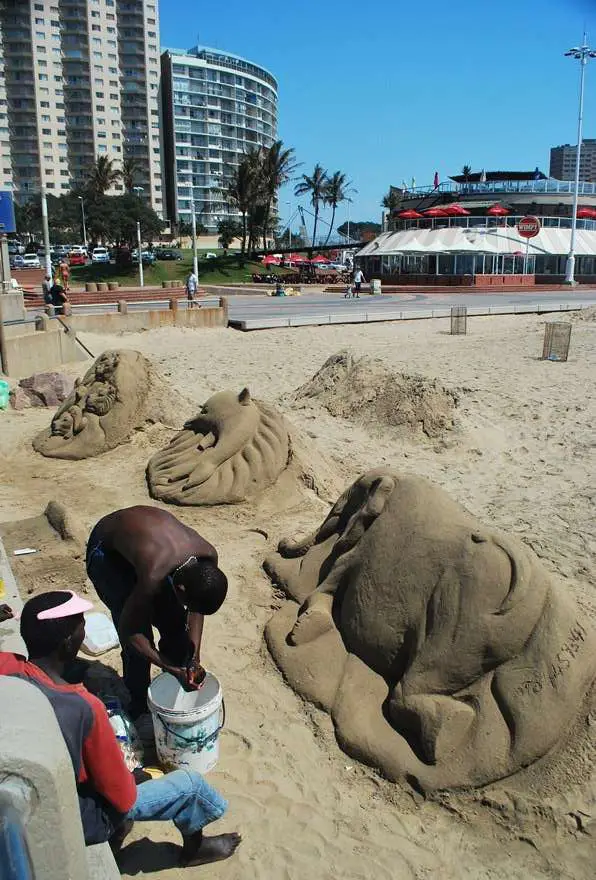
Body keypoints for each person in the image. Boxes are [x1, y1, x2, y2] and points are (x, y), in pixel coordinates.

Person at [0, 590, 241, 865]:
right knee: (191, 786)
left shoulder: (7, 666)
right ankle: (194, 849)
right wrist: (135, 778)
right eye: (81, 622)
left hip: (31, 791)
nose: (84, 625)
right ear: (69, 643)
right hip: (78, 812)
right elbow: (123, 797)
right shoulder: (83, 707)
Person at [86, 506, 227, 719]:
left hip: (149, 550)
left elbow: (195, 610)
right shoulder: (154, 574)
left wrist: (193, 657)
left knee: (177, 630)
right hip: (108, 553)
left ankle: (172, 692)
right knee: (138, 647)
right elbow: (131, 633)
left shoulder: (207, 557)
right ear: (180, 589)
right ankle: (139, 704)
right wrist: (168, 666)